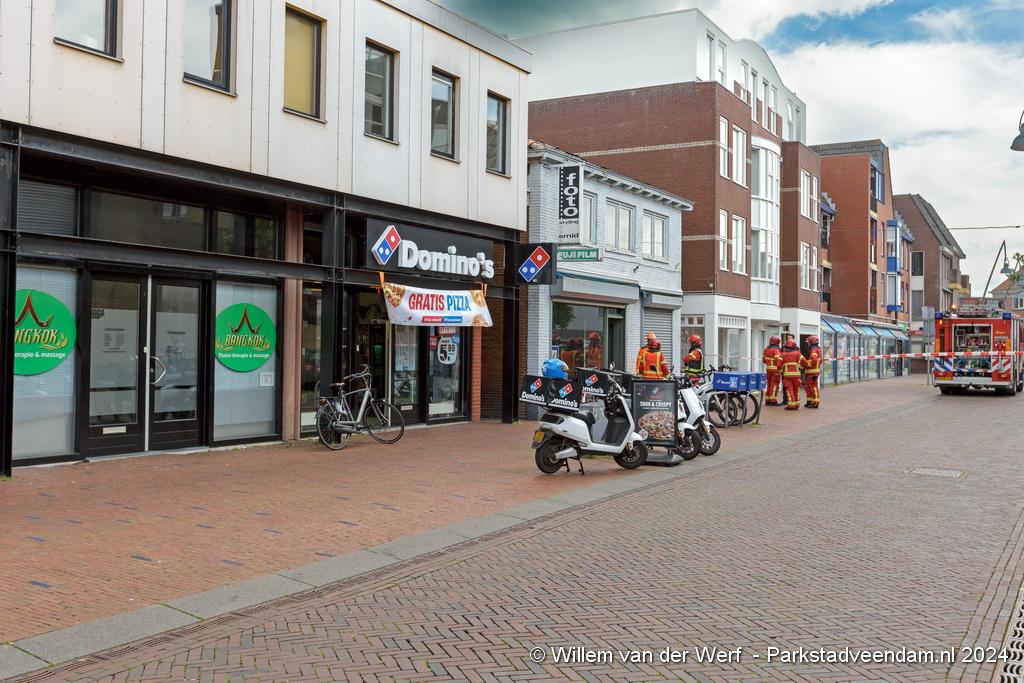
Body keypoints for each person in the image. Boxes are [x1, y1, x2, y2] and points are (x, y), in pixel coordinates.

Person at [780, 338, 807, 411]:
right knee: (796, 390)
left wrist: (781, 371)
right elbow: (805, 362)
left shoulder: (782, 354)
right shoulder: (798, 354)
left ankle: (791, 405)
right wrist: (800, 368)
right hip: (797, 375)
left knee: (789, 390)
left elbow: (778, 364)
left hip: (787, 375)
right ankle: (797, 405)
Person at [762, 335, 783, 406]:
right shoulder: (776, 350)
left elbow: (764, 360)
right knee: (774, 385)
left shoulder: (766, 349)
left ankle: (767, 399)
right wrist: (780, 369)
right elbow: (779, 361)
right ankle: (773, 400)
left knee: (769, 385)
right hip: (775, 370)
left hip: (768, 369)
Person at [804, 335, 823, 408]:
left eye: (808, 342)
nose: (808, 344)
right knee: (808, 387)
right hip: (813, 371)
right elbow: (820, 360)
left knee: (813, 387)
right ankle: (810, 401)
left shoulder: (814, 350)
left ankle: (815, 402)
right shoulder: (817, 349)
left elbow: (814, 360)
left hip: (812, 372)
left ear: (811, 342)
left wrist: (806, 364)